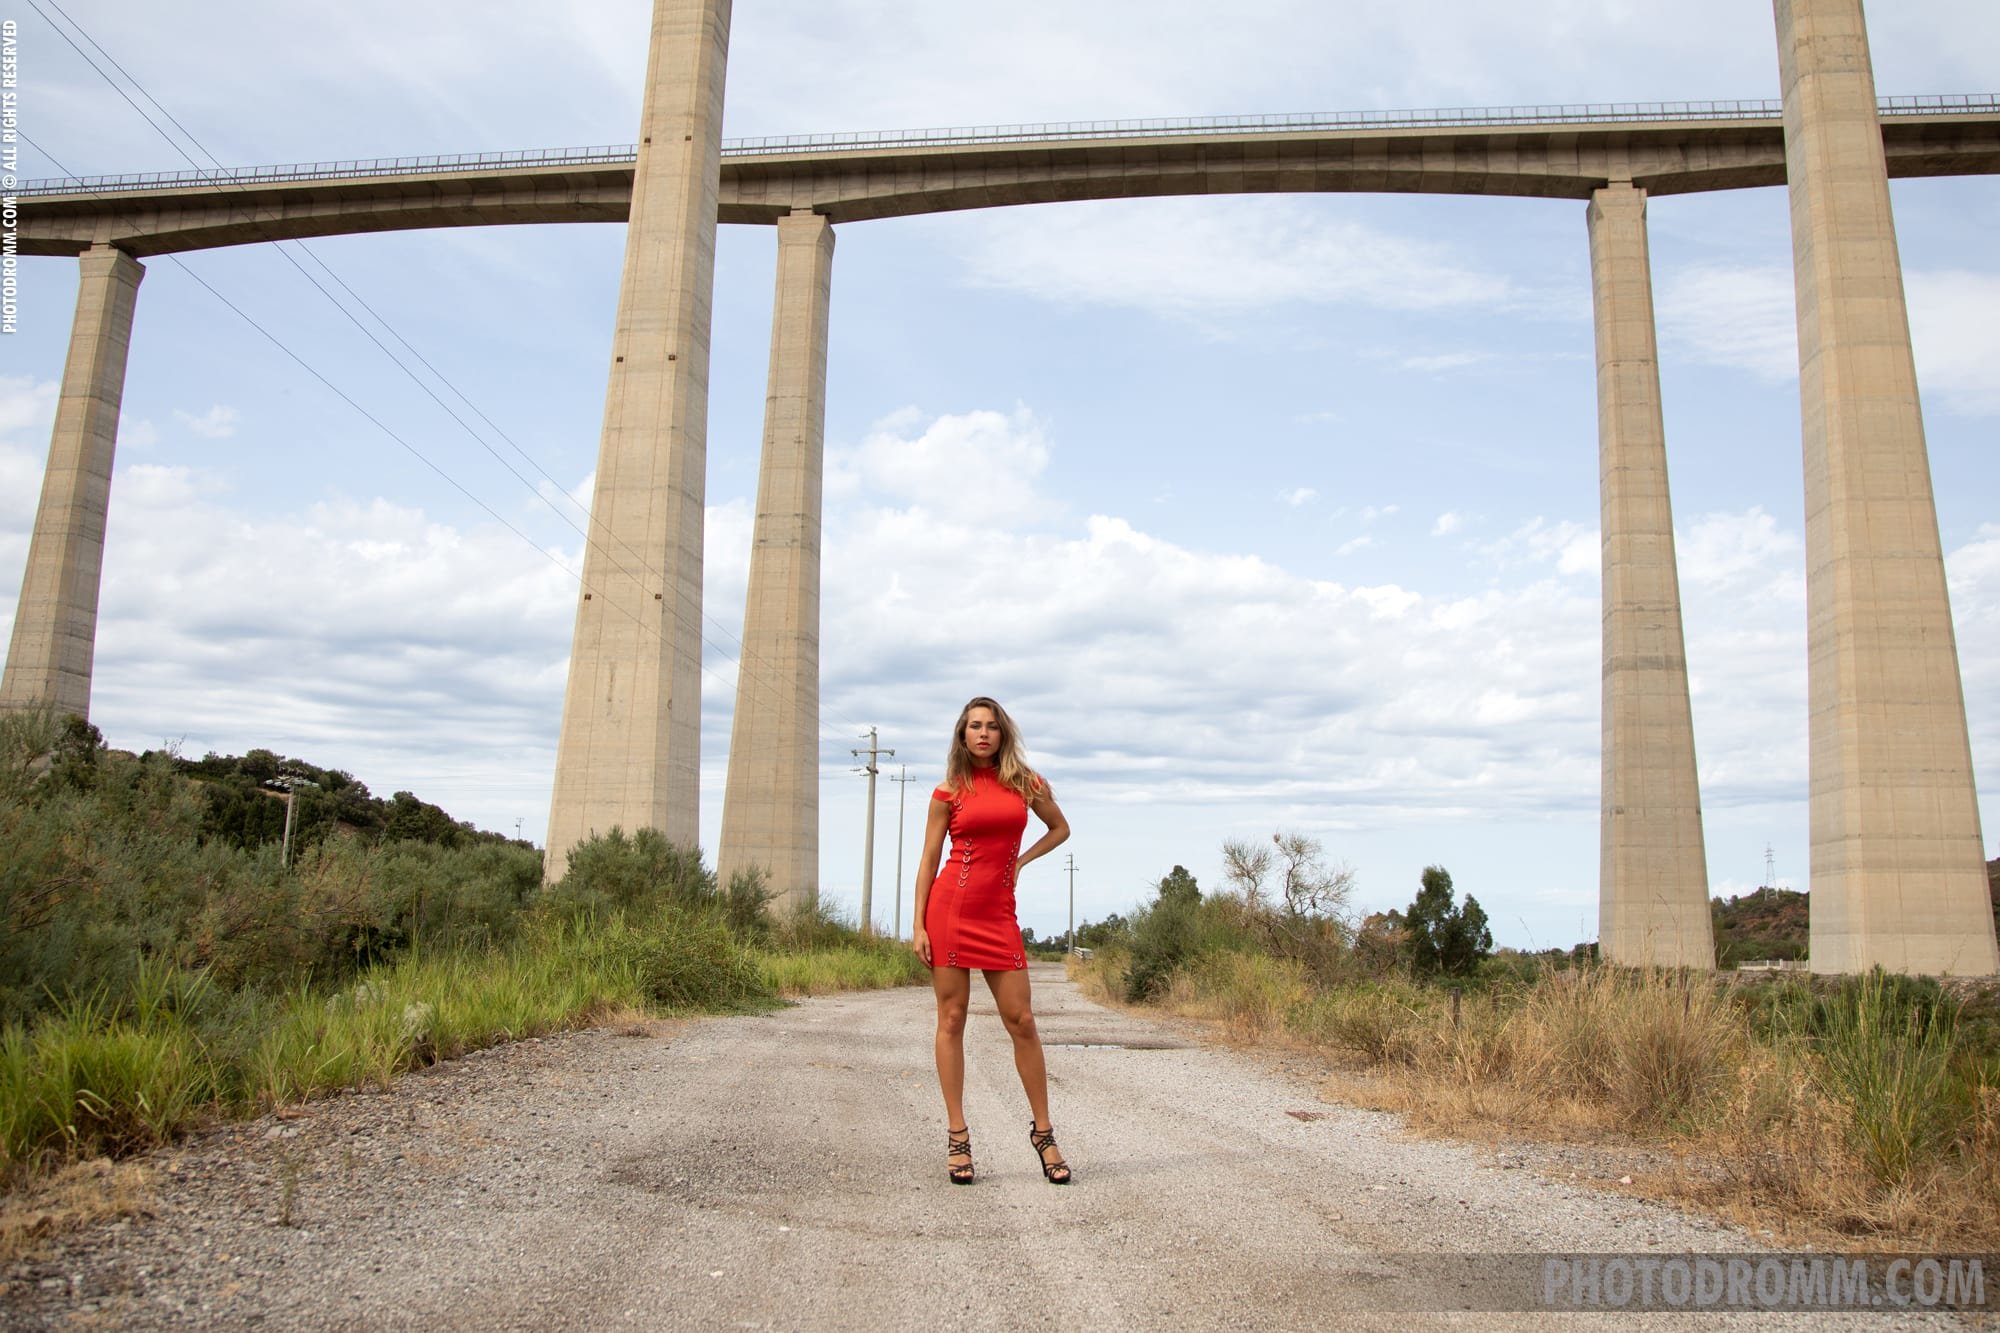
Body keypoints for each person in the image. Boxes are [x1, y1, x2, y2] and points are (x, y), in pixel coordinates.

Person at [911, 696, 1072, 1185]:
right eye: (974, 726)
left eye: (991, 726)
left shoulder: (1026, 783)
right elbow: (929, 859)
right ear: (962, 736)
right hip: (950, 911)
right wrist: (918, 924)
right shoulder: (948, 792)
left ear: (1003, 734)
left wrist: (1020, 862)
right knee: (952, 1018)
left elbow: (1060, 828)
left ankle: (1043, 1133)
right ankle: (958, 1136)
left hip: (998, 915)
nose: (983, 733)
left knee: (1022, 1020)